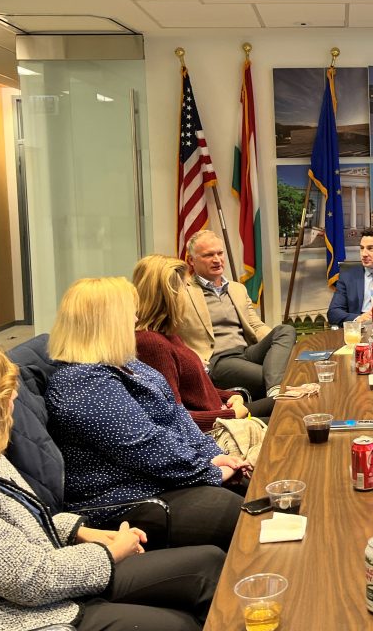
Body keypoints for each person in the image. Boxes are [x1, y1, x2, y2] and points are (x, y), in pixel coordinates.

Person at [0, 341, 224, 631]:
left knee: (209, 564)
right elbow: (29, 579)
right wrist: (110, 552)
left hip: (51, 578)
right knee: (180, 625)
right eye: (7, 401)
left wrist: (79, 532)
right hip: (15, 615)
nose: (13, 409)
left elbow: (21, 523)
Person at [45, 276, 246, 551]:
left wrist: (212, 455)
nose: (136, 319)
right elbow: (145, 445)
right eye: (129, 313)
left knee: (258, 489)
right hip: (127, 503)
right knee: (242, 513)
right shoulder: (81, 383)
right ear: (108, 323)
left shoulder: (126, 363)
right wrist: (208, 471)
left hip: (165, 481)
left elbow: (176, 414)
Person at [134, 253, 271, 425]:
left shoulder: (167, 335)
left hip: (221, 414)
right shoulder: (153, 344)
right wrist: (231, 415)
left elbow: (195, 390)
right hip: (214, 429)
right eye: (185, 287)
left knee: (288, 402)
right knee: (289, 420)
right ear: (170, 295)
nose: (188, 293)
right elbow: (173, 418)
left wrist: (231, 396)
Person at [179, 229, 295, 410]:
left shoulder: (237, 288)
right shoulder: (182, 293)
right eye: (208, 255)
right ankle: (271, 393)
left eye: (220, 253)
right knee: (279, 377)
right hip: (217, 360)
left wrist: (278, 348)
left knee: (285, 330)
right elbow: (170, 333)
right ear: (191, 261)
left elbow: (256, 325)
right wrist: (191, 357)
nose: (217, 260)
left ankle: (274, 390)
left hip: (247, 352)